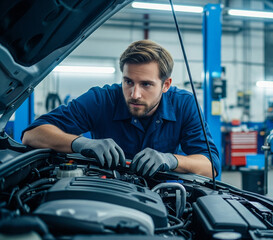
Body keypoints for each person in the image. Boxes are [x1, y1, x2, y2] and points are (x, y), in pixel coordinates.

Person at [22, 40, 219, 178]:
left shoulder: (184, 104)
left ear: (166, 85)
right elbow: (32, 135)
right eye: (128, 82)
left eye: (146, 84)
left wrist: (172, 160)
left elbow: (211, 166)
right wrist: (82, 144)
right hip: (105, 187)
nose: (134, 94)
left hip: (162, 193)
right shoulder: (102, 100)